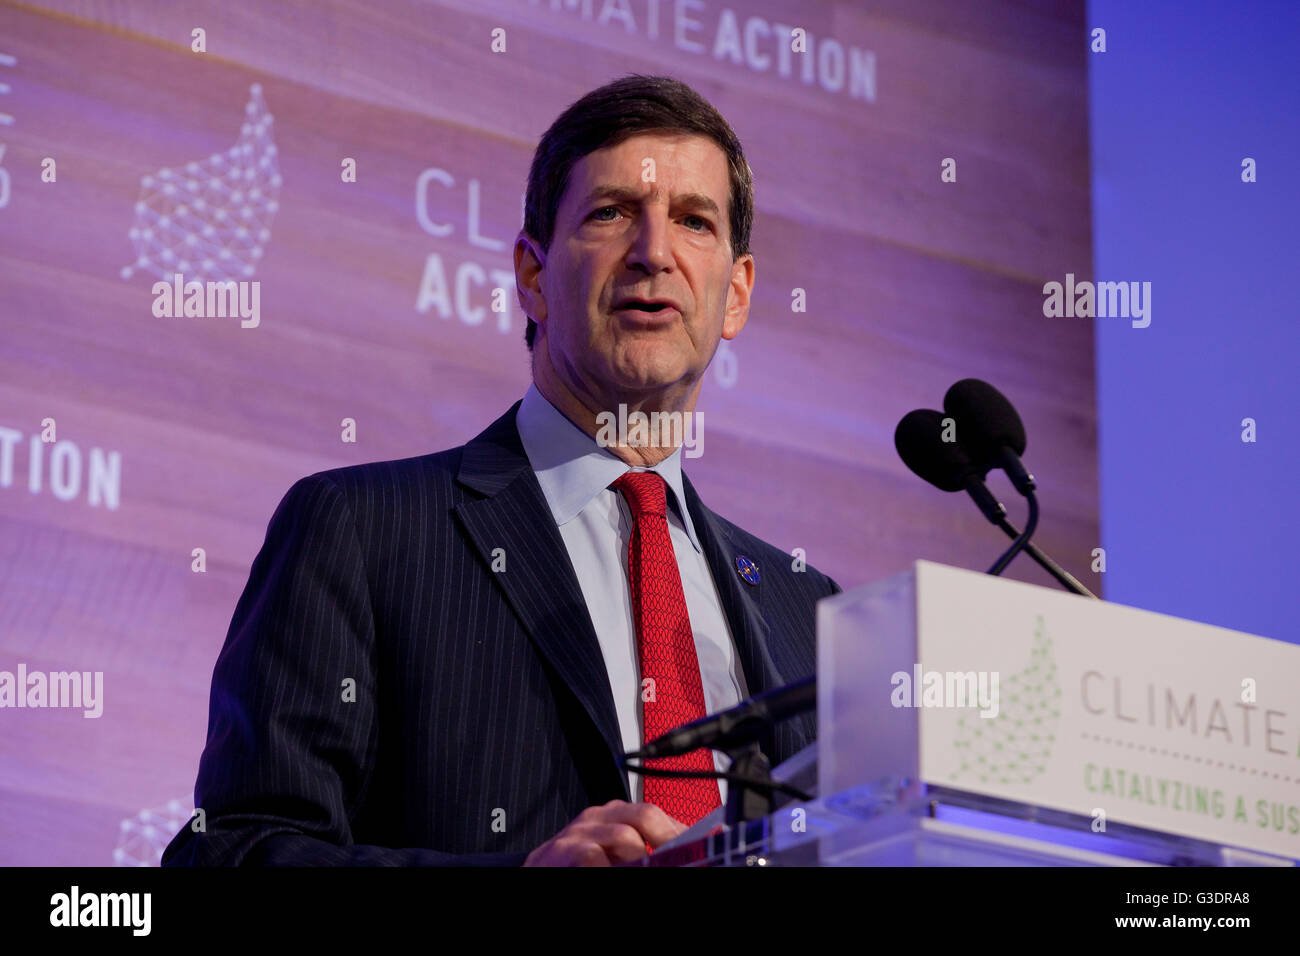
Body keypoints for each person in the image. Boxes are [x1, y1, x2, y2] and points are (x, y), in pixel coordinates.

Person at [163, 74, 840, 868]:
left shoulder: (811, 612)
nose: (654, 253)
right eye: (612, 212)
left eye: (694, 221)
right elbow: (232, 854)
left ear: (737, 296)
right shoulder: (362, 529)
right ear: (531, 275)